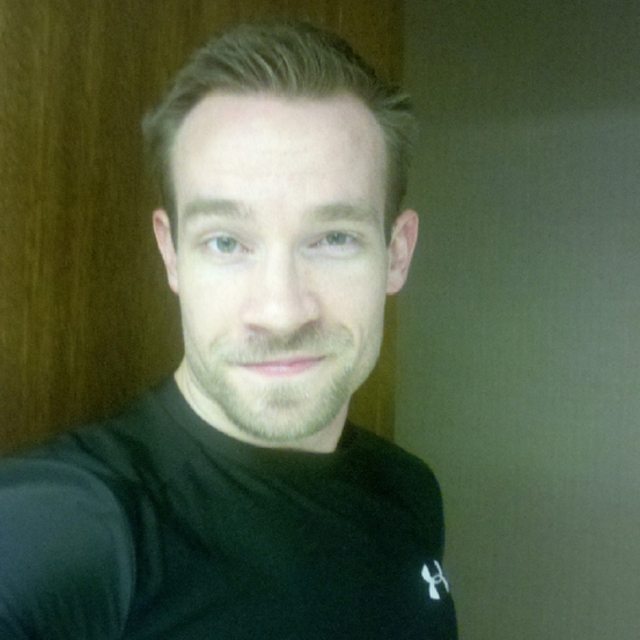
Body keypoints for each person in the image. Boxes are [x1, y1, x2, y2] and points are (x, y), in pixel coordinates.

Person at [0, 20, 457, 639]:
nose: (282, 311)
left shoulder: (409, 492)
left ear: (397, 254)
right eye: (226, 242)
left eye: (334, 238)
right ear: (171, 255)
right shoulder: (80, 527)